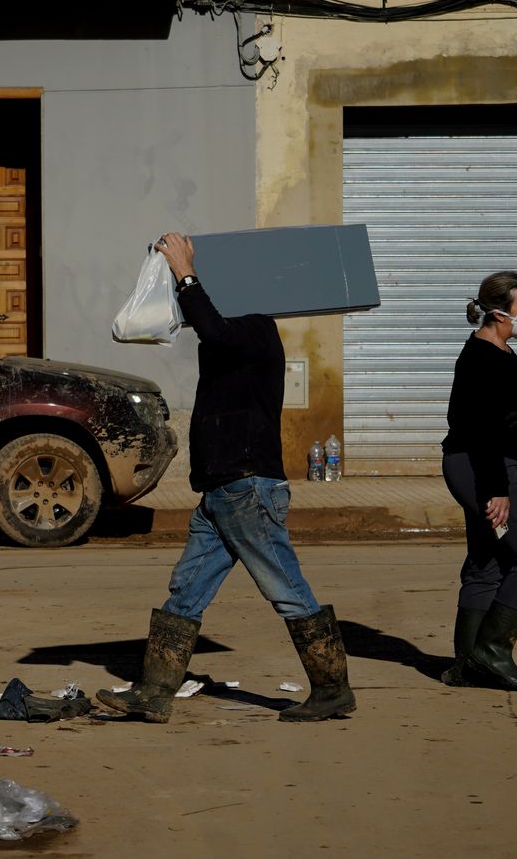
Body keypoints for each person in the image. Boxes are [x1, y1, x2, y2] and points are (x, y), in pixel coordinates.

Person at [96, 232, 355, 724]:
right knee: (186, 590)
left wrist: (184, 270)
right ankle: (154, 692)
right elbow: (204, 323)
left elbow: (213, 326)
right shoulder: (225, 336)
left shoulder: (256, 329)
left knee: (286, 588)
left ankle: (332, 688)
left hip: (249, 488)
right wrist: (169, 276)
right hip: (220, 491)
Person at [438, 271, 517, 692]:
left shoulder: (496, 350)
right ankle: (492, 651)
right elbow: (481, 429)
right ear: (500, 312)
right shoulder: (482, 359)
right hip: (483, 467)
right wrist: (497, 490)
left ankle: (466, 665)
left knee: (487, 564)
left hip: (486, 466)